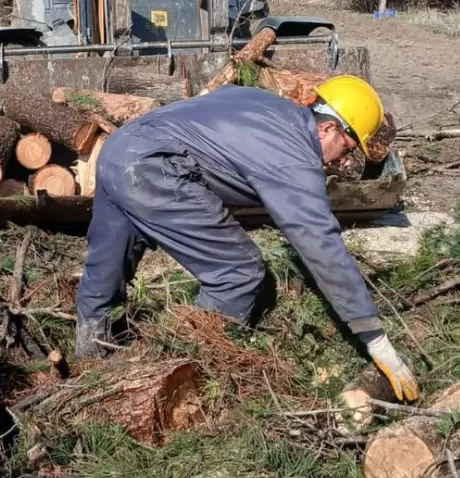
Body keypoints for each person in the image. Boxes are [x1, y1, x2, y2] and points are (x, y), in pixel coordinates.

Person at [74, 75, 420, 402]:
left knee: (107, 261)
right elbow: (321, 245)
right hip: (153, 166)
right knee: (237, 272)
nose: (343, 161)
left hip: (120, 148)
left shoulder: (269, 106)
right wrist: (374, 338)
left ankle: (89, 368)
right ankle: (191, 376)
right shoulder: (294, 155)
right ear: (328, 128)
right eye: (347, 148)